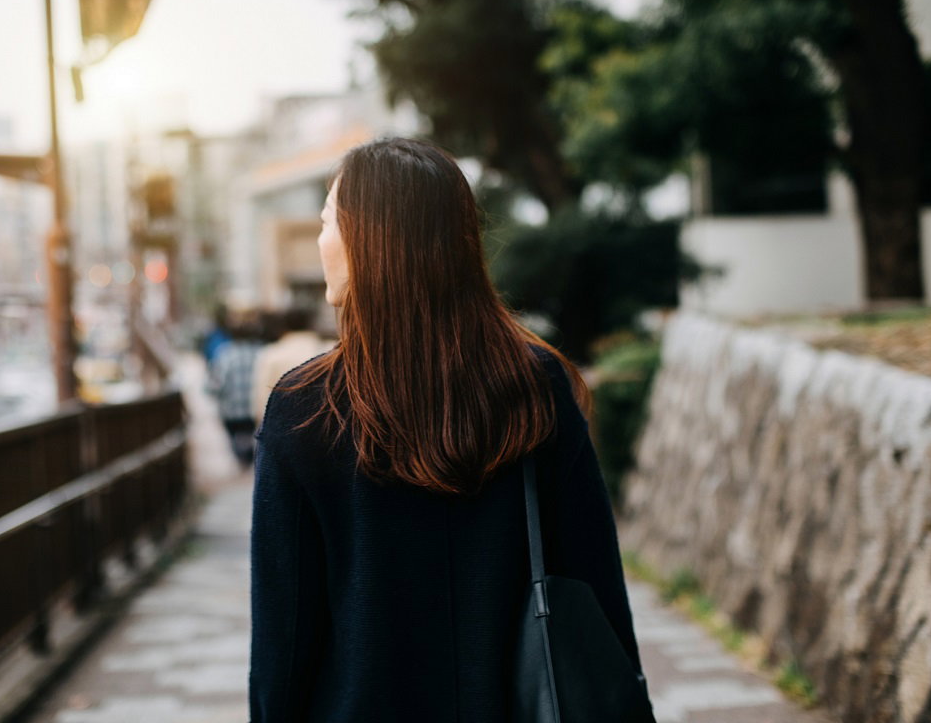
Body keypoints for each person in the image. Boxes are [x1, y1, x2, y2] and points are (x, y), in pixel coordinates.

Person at [249, 138, 652, 721]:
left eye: (327, 222)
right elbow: (594, 585)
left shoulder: (304, 407)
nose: (320, 242)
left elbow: (283, 642)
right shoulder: (535, 385)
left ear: (370, 240)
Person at [250, 306, 333, 428]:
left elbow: (261, 400)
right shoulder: (329, 351)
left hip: (282, 427)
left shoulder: (271, 354)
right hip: (325, 425)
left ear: (283, 327)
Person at [209, 312, 263, 468]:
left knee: (239, 449)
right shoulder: (261, 351)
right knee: (255, 445)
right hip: (256, 411)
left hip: (232, 412)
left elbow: (216, 385)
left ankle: (243, 463)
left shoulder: (225, 354)